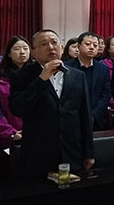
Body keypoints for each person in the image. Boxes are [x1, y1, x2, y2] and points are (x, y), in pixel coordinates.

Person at [10, 29, 94, 177]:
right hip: (38, 154)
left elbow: (85, 116)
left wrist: (88, 152)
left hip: (72, 152)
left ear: (61, 47)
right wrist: (41, 80)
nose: (50, 47)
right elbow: (17, 108)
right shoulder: (21, 75)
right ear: (33, 52)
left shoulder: (77, 75)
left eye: (54, 42)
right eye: (44, 44)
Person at [0, 36, 31, 149]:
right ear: (8, 53)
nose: (22, 52)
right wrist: (10, 132)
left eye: (25, 48)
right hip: (7, 135)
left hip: (35, 133)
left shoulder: (39, 75)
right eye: (17, 49)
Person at [66, 31, 112, 130]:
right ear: (78, 46)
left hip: (96, 119)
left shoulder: (103, 69)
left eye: (95, 45)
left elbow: (106, 94)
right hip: (73, 119)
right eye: (87, 44)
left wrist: (94, 115)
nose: (91, 47)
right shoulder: (67, 67)